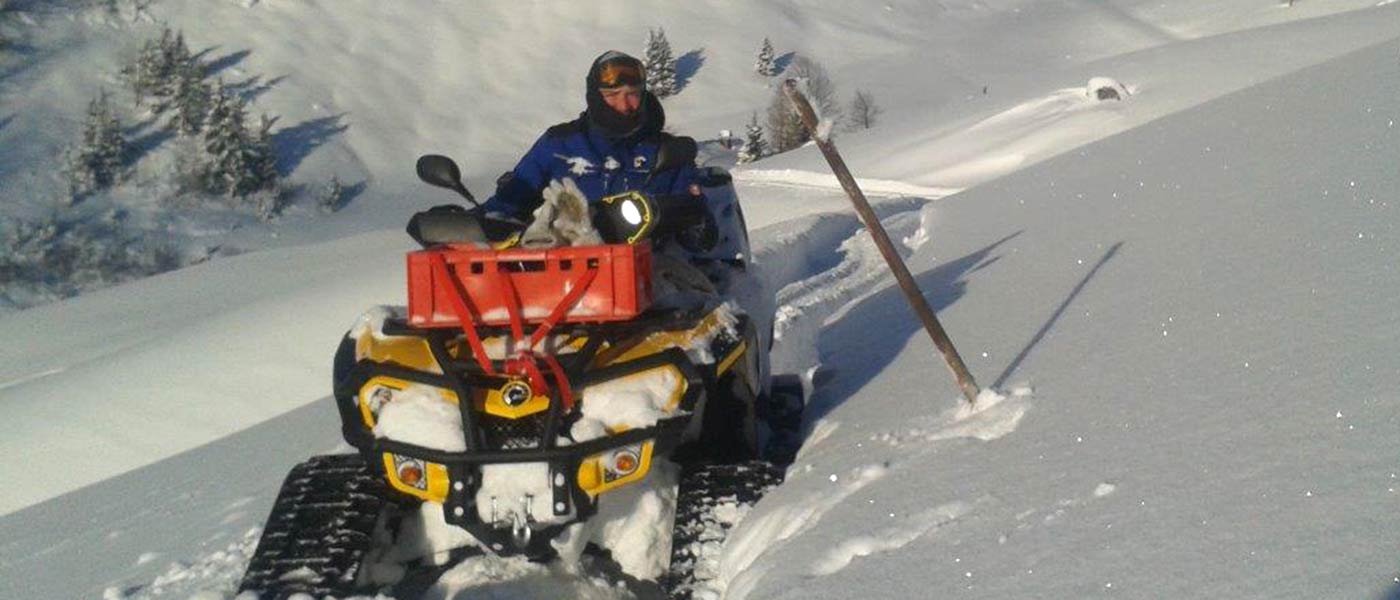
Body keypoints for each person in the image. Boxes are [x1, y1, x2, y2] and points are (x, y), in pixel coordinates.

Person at [482, 51, 701, 222]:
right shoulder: (558, 145)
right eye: (612, 95)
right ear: (595, 96)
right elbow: (505, 205)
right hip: (562, 270)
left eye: (632, 94)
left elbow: (697, 231)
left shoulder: (666, 153)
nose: (624, 105)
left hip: (645, 269)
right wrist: (466, 223)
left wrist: (677, 215)